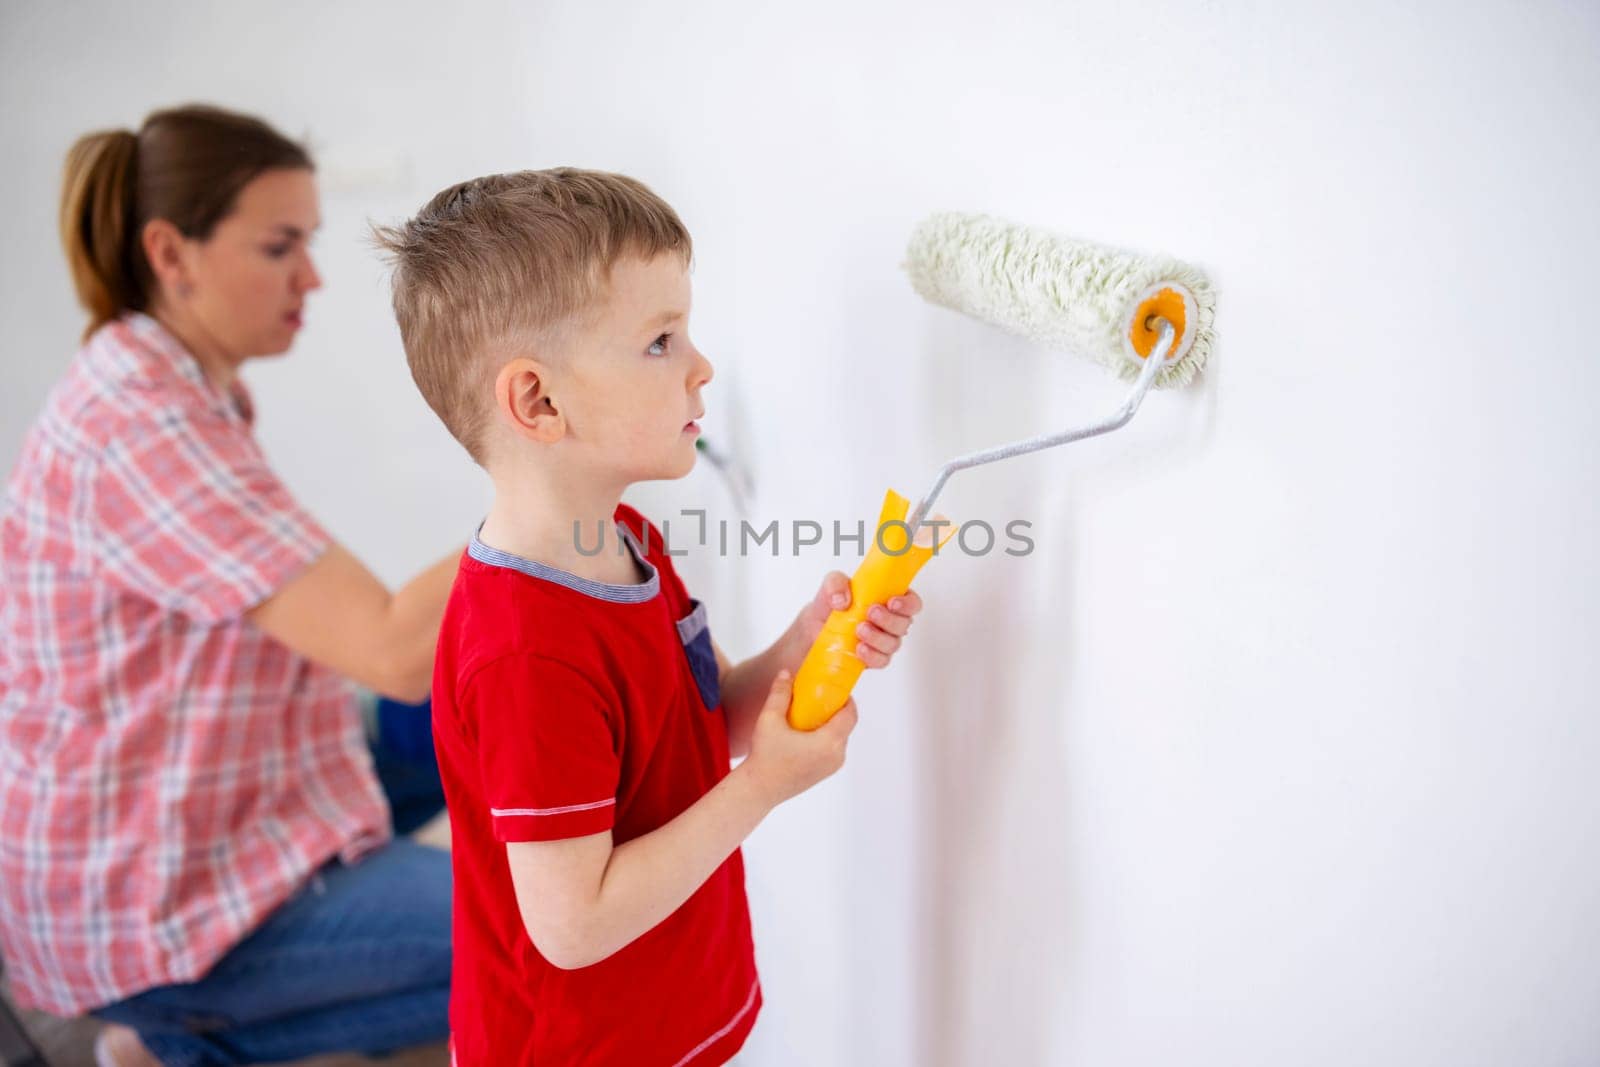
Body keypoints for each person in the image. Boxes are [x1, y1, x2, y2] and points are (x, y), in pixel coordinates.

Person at [373, 168, 926, 1065]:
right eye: (662, 340)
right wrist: (764, 788)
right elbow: (574, 922)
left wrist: (807, 647)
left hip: (665, 1015)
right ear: (539, 403)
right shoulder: (527, 652)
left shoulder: (623, 538)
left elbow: (694, 727)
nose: (701, 365)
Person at [0, 104, 461, 1066]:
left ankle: (181, 1030)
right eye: (280, 245)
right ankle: (177, 1030)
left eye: (310, 242)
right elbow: (390, 647)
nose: (313, 276)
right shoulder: (141, 421)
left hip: (228, 781)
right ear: (173, 253)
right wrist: (567, 488)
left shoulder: (189, 387)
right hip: (139, 893)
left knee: (479, 713)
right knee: (533, 929)